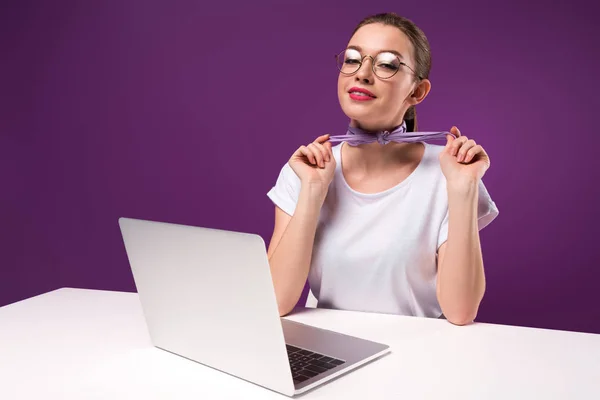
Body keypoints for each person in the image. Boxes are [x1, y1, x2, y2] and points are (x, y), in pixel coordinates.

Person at [266, 12, 499, 326]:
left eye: (387, 64)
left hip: (423, 357)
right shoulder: (305, 170)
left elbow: (460, 313)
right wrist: (311, 193)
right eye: (352, 59)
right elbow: (275, 302)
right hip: (330, 352)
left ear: (416, 92)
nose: (362, 74)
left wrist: (463, 190)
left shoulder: (450, 174)